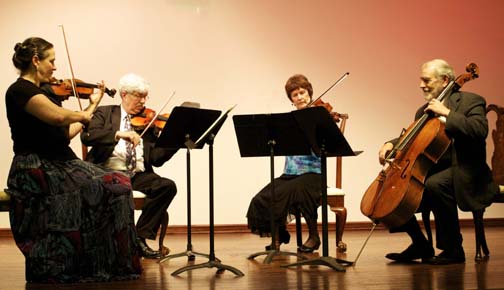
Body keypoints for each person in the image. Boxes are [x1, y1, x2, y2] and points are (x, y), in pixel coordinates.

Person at [5, 37, 141, 283]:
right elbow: (58, 118)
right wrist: (83, 112)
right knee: (106, 187)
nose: (56, 67)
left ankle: (107, 262)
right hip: (38, 166)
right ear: (36, 61)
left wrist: (93, 106)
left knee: (120, 184)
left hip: (62, 162)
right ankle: (71, 262)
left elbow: (66, 131)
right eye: (51, 60)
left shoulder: (46, 94)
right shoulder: (21, 91)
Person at [378, 59, 499, 265]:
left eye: (426, 80)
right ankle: (420, 244)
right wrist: (390, 144)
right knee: (395, 192)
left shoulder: (471, 101)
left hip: (467, 171)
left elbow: (479, 130)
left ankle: (454, 250)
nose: (421, 85)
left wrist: (448, 114)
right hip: (435, 170)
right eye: (421, 80)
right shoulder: (423, 110)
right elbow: (413, 137)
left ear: (444, 81)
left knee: (435, 184)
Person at [81, 73, 177, 259]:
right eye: (138, 96)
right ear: (124, 95)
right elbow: (88, 136)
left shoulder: (147, 123)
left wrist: (173, 140)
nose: (143, 101)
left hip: (136, 174)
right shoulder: (105, 113)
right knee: (119, 186)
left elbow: (156, 159)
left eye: (144, 96)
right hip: (107, 172)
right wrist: (119, 134)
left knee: (167, 186)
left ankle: (139, 238)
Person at [247, 74, 331, 253]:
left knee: (298, 191)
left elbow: (329, 144)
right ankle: (279, 234)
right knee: (262, 197)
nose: (300, 97)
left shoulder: (319, 116)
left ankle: (314, 237)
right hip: (290, 174)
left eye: (302, 92)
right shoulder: (288, 121)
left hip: (314, 174)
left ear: (309, 93)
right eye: (295, 95)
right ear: (291, 99)